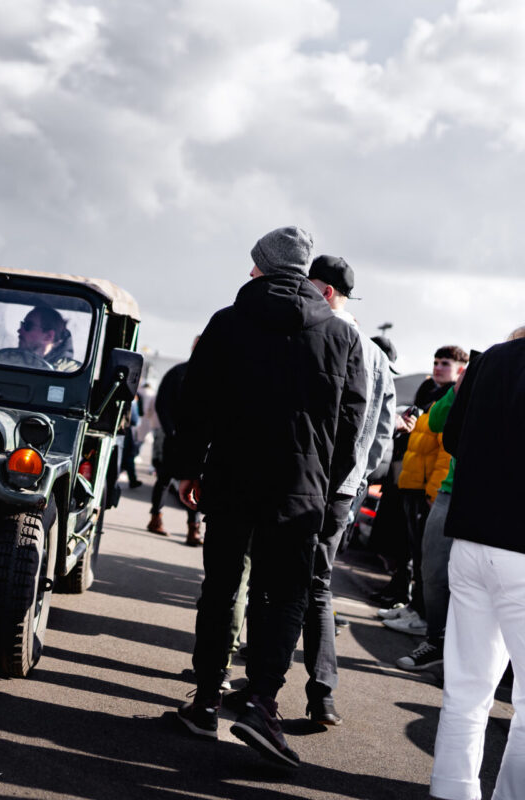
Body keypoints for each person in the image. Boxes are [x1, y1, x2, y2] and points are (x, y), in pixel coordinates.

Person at [171, 226, 366, 768]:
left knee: (222, 587)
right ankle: (261, 702)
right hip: (301, 489)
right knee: (284, 595)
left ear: (264, 266)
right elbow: (351, 427)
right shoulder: (342, 336)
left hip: (231, 478)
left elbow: (196, 403)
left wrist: (188, 469)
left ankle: (206, 701)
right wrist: (326, 486)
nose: (250, 270)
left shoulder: (228, 321)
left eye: (254, 263)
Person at [299, 255, 396, 725]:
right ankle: (322, 694)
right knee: (318, 585)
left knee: (278, 581)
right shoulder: (377, 354)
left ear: (326, 291)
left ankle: (261, 689)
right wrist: (357, 479)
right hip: (345, 487)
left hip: (307, 478)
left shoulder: (319, 335)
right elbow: (383, 433)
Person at [429, 330, 525, 800]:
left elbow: (452, 438)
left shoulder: (490, 360)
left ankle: (451, 791)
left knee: (466, 689)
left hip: (472, 537)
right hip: (518, 550)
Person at [383, 346, 467, 637]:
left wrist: (434, 492)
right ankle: (413, 607)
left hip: (427, 490)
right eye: (435, 362)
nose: (438, 367)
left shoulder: (453, 398)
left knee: (426, 559)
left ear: (461, 369)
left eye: (445, 363)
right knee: (416, 554)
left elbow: (446, 454)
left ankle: (422, 615)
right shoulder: (430, 394)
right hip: (413, 484)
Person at [147, 339, 204, 546]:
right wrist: (171, 431)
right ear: (193, 348)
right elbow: (162, 404)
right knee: (164, 478)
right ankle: (156, 518)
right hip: (174, 439)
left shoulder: (213, 376)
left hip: (197, 442)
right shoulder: (177, 373)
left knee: (194, 480)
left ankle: (193, 529)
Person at [17, 304, 77, 371]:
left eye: (28, 325)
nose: (19, 330)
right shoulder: (11, 358)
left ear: (48, 336)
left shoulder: (68, 371)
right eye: (22, 324)